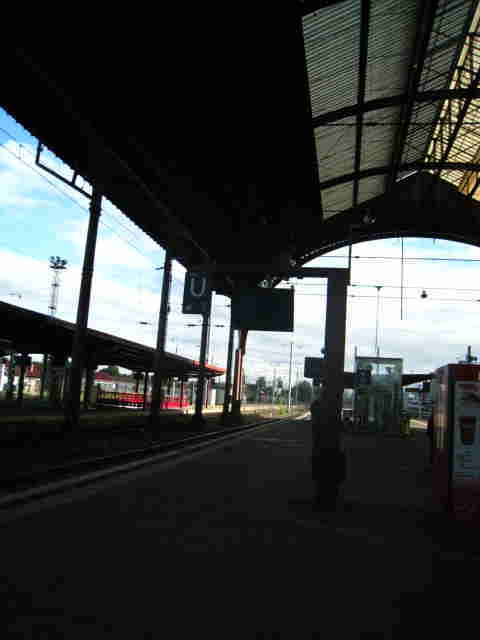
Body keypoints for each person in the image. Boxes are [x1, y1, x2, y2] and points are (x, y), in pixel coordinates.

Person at [310, 388, 346, 512]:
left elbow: (315, 421)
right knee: (331, 476)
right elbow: (339, 426)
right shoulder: (334, 407)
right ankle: (330, 501)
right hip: (331, 446)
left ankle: (320, 500)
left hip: (319, 445)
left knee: (320, 476)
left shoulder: (316, 406)